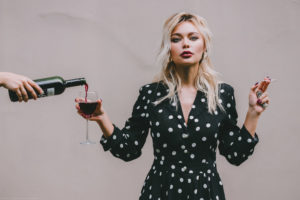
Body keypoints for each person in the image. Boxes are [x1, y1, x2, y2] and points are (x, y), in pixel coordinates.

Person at [75, 12, 270, 200]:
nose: (185, 43)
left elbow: (236, 154)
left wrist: (253, 113)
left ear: (205, 47)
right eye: (176, 39)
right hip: (160, 191)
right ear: (168, 49)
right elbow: (128, 148)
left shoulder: (222, 95)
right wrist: (102, 118)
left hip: (205, 193)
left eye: (193, 37)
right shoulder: (151, 94)